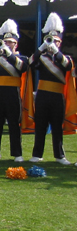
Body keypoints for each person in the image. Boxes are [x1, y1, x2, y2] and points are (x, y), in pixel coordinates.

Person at [27, 13, 76, 165]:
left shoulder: (65, 57)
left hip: (58, 96)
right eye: (51, 40)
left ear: (60, 43)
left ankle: (60, 156)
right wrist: (41, 48)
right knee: (40, 125)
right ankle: (37, 154)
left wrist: (56, 51)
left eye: (57, 41)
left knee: (57, 126)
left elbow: (67, 66)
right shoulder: (42, 58)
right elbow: (30, 63)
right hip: (42, 95)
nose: (53, 43)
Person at [0, 20, 28, 161]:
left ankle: (17, 153)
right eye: (6, 42)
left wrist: (9, 54)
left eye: (10, 42)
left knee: (14, 123)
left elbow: (22, 68)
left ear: (16, 44)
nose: (7, 45)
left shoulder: (21, 57)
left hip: (13, 92)